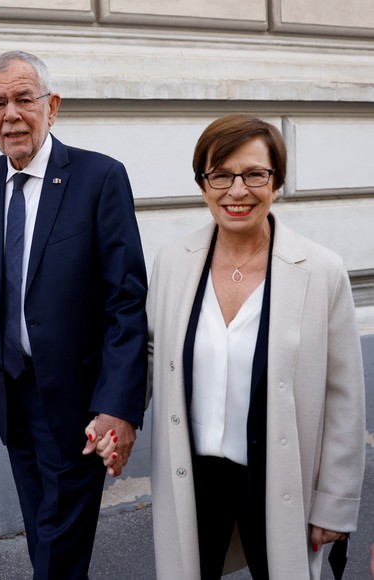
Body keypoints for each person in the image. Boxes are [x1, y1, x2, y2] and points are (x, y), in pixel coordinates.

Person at [102, 114, 365, 580]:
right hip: (193, 472)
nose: (237, 191)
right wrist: (116, 414)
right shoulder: (174, 263)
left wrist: (334, 504)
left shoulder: (321, 271)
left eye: (254, 174)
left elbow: (343, 396)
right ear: (203, 184)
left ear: (277, 181)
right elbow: (149, 353)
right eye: (220, 175)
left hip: (278, 473)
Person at [0, 50, 149, 579]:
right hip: (15, 396)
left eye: (23, 98)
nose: (10, 114)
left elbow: (126, 304)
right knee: (46, 528)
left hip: (78, 402)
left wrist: (119, 405)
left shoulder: (99, 178)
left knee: (60, 535)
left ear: (52, 106)